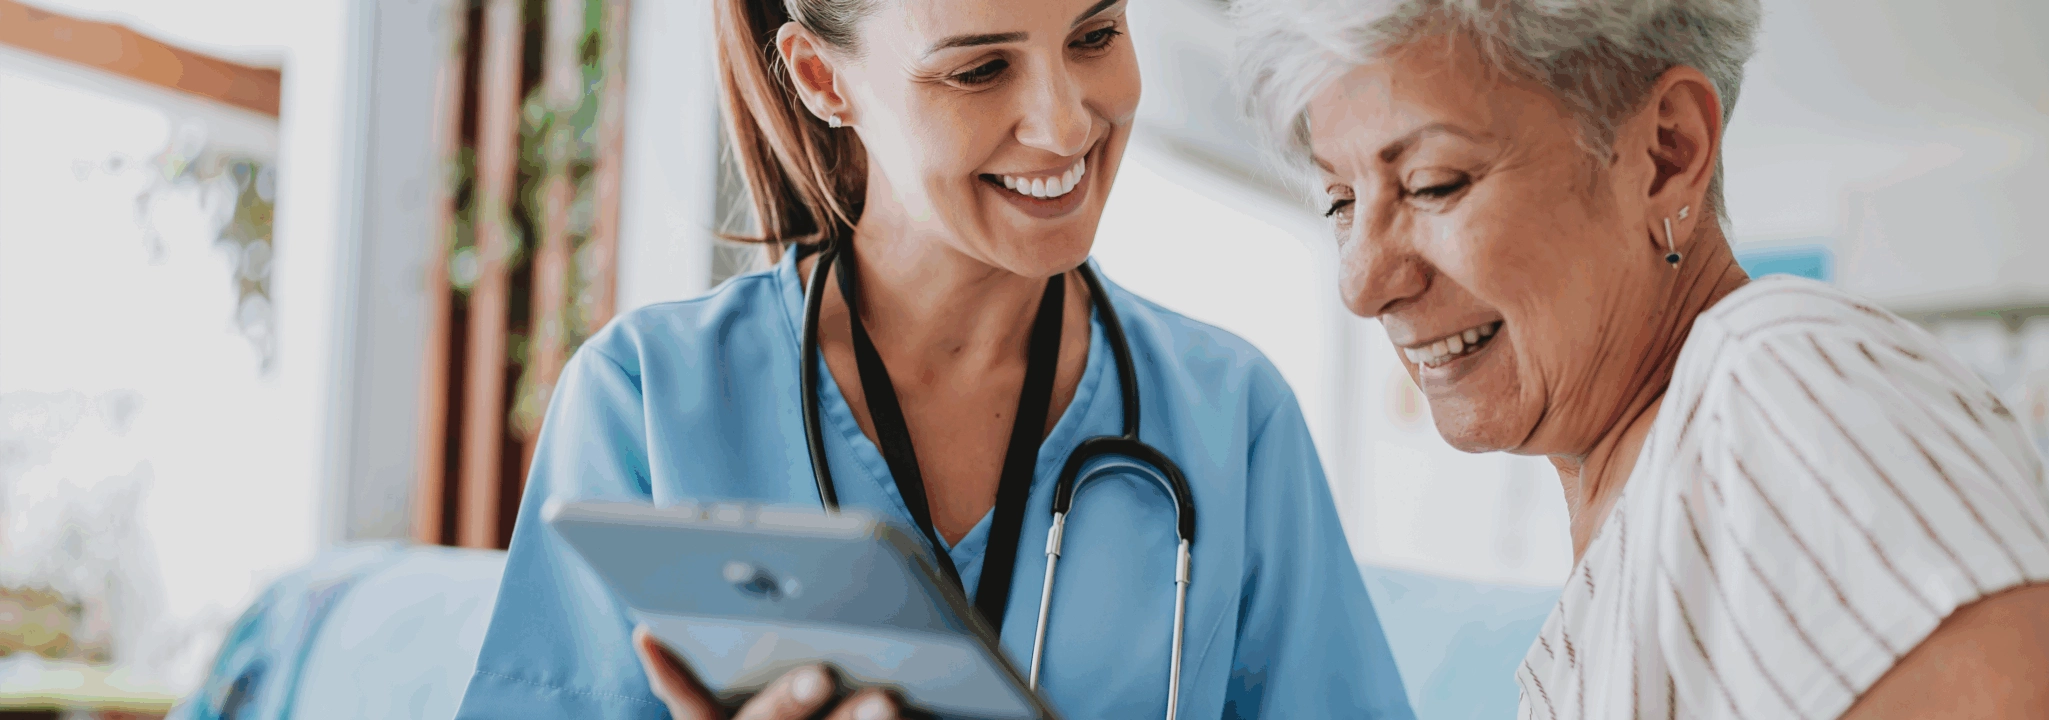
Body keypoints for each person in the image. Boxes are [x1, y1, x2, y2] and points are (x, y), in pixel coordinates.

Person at [453, 0, 1413, 717]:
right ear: (824, 80)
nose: (1068, 124)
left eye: (1095, 36)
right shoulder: (646, 402)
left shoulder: (1229, 418)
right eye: (979, 70)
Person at [1232, 0, 2049, 717]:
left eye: (1433, 183)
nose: (1362, 282)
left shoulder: (1777, 392)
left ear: (1668, 152)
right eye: (1341, 202)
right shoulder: (1633, 530)